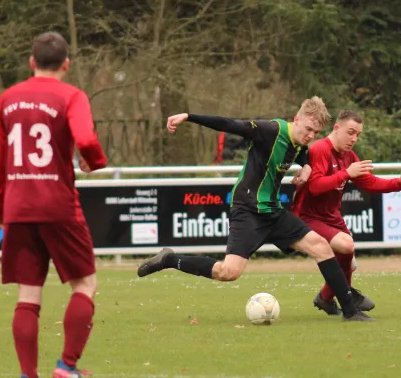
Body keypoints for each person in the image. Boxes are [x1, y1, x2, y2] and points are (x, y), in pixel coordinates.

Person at [137, 97, 373, 322]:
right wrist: (188, 116)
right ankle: (169, 259)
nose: (311, 136)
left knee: (321, 246)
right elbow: (229, 124)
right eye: (308, 129)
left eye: (316, 133)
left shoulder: (299, 144)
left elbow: (305, 155)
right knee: (228, 272)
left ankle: (350, 311)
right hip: (247, 211)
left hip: (273, 212)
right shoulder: (269, 130)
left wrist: (308, 167)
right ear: (296, 119)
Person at [0, 32, 107, 378]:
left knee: (28, 294)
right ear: (66, 65)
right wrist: (94, 161)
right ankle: (66, 367)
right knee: (85, 284)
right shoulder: (71, 95)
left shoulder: (7, 99)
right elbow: (85, 138)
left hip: (18, 206)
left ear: (31, 63)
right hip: (58, 205)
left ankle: (28, 374)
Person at [292, 109, 401, 316]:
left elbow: (368, 182)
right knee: (346, 245)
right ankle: (348, 301)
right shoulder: (320, 149)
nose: (354, 138)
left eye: (358, 134)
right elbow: (315, 187)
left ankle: (326, 297)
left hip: (332, 217)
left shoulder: (348, 156)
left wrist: (399, 183)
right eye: (350, 132)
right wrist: (346, 173)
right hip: (308, 217)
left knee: (348, 261)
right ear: (337, 128)